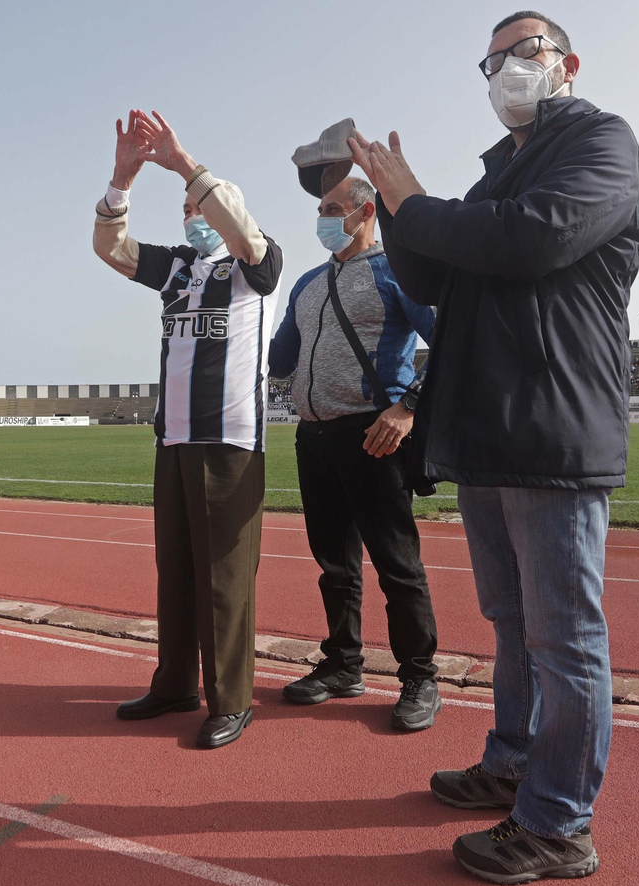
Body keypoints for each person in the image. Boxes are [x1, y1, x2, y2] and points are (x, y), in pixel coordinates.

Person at [348, 10, 639, 885]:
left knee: (564, 635)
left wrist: (415, 203)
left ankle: (559, 823)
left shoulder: (602, 142)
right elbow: (436, 276)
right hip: (487, 430)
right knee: (513, 625)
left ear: (566, 62)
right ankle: (511, 762)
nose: (507, 69)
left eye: (525, 51)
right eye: (492, 62)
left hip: (554, 427)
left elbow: (533, 238)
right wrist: (400, 215)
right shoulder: (493, 176)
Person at [93, 110, 284, 749]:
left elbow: (236, 224)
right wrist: (122, 182)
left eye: (198, 206)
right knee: (174, 572)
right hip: (172, 439)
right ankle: (175, 683)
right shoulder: (177, 269)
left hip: (228, 441)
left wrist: (181, 162)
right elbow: (110, 248)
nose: (191, 217)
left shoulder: (255, 264)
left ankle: (231, 699)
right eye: (183, 209)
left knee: (224, 579)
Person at [265, 171, 442, 730]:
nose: (322, 217)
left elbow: (452, 339)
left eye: (334, 206)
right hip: (313, 437)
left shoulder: (398, 273)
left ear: (366, 212)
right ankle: (342, 664)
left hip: (372, 435)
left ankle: (419, 676)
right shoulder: (306, 283)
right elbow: (280, 359)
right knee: (334, 563)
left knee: (396, 563)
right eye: (321, 207)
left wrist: (408, 407)